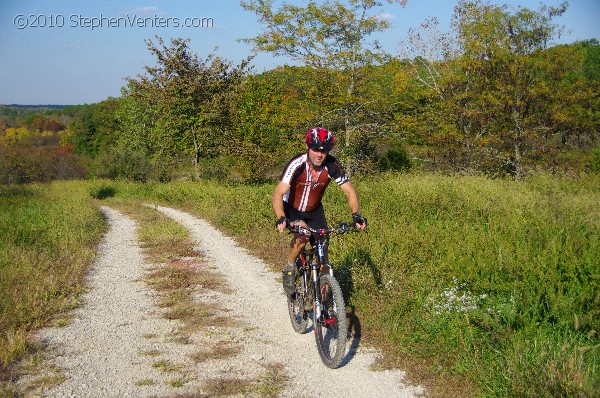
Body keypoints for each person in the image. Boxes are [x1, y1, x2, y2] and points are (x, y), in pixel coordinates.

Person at [272, 127, 367, 297]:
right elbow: (278, 194)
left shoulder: (332, 165)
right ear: (308, 147)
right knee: (304, 236)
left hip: (315, 211)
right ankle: (290, 267)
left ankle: (324, 304)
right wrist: (281, 217)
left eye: (324, 151)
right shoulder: (297, 164)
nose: (319, 154)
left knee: (323, 250)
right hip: (292, 209)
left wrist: (356, 214)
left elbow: (349, 191)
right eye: (315, 149)